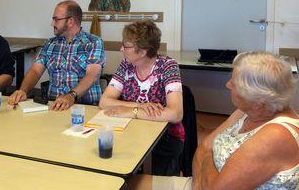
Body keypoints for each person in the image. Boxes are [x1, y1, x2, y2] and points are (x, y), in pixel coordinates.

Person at [128, 51, 299, 190]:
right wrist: (198, 181)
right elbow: (203, 147)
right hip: (199, 183)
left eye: (235, 82)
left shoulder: (276, 135)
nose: (228, 85)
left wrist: (208, 157)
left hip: (206, 184)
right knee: (127, 184)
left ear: (257, 102)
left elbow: (207, 150)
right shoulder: (249, 111)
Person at [99, 19, 184, 176]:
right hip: (130, 133)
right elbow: (104, 102)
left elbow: (175, 114)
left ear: (143, 52)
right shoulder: (126, 64)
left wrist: (131, 111)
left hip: (165, 139)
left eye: (126, 46)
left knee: (157, 182)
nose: (121, 49)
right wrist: (140, 106)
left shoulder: (168, 66)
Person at [8, 0, 105, 111]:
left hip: (85, 108)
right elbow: (35, 70)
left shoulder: (93, 42)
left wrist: (71, 95)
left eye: (56, 19)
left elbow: (92, 75)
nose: (52, 24)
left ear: (70, 21)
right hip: (54, 107)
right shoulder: (49, 43)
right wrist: (23, 90)